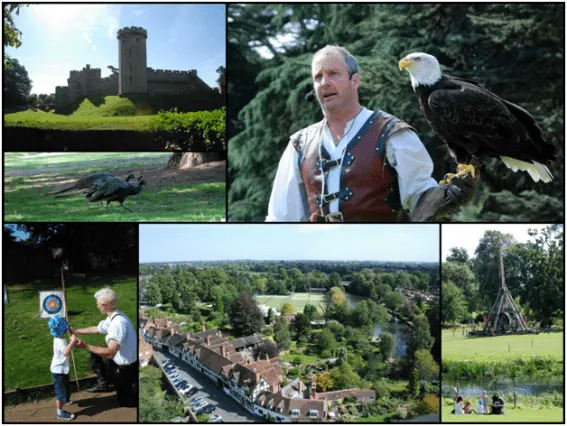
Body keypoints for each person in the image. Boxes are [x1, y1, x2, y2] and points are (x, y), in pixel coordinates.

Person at [266, 45, 476, 222]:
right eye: (318, 77)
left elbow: (420, 197)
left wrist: (447, 196)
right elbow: (281, 217)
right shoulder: (300, 144)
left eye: (333, 74)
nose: (325, 83)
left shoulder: (393, 133)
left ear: (354, 81)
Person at [70, 288, 137, 407]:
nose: (97, 306)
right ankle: (104, 383)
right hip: (119, 362)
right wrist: (76, 331)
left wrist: (85, 346)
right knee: (95, 353)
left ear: (104, 305)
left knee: (125, 402)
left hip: (126, 368)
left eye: (98, 304)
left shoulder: (117, 324)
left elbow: (110, 352)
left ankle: (128, 387)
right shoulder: (114, 316)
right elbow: (97, 329)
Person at [49, 315, 78, 421]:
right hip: (58, 371)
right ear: (62, 329)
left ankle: (66, 400)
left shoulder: (58, 337)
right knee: (60, 392)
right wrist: (72, 342)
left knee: (66, 386)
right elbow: (66, 352)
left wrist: (70, 336)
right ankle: (60, 412)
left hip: (62, 370)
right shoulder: (60, 341)